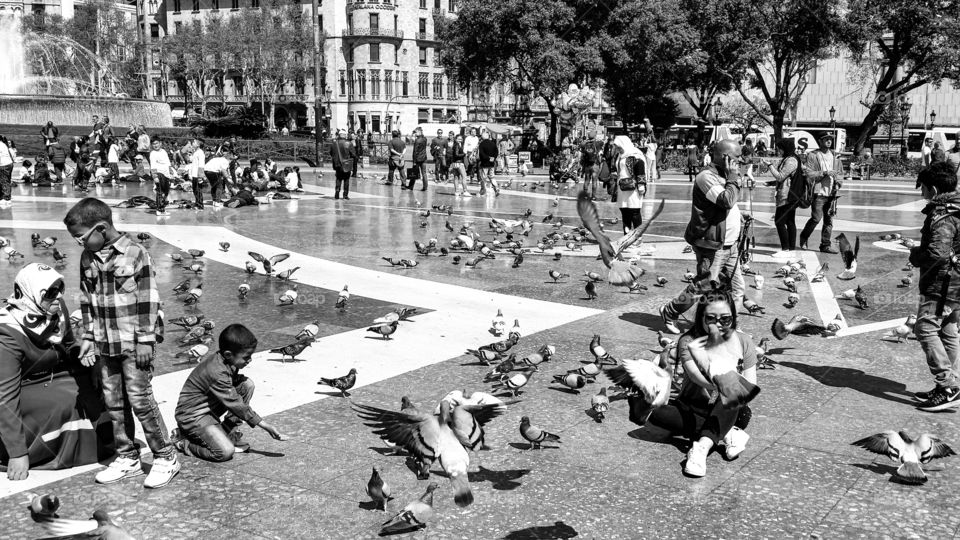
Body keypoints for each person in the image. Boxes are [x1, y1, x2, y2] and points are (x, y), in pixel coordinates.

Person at [63, 198, 179, 488]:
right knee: (113, 401)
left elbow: (148, 299)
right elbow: (86, 299)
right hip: (104, 342)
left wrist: (145, 340)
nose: (79, 244)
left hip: (132, 341)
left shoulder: (136, 253)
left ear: (100, 228)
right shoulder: (88, 258)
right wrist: (88, 336)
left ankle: (165, 456)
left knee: (140, 398)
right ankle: (127, 455)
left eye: (81, 237)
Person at [0, 263, 113, 480]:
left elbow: (67, 346)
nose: (59, 296)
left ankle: (106, 440)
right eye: (50, 293)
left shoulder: (56, 311)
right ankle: (36, 449)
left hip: (47, 377)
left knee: (104, 385)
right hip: (13, 391)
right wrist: (17, 453)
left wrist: (88, 357)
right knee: (66, 401)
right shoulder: (7, 333)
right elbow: (5, 397)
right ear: (29, 294)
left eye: (60, 288)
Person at [641, 285, 756, 477]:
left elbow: (750, 383)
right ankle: (725, 432)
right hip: (694, 406)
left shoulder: (743, 341)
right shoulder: (688, 340)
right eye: (710, 318)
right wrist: (725, 382)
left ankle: (700, 448)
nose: (717, 324)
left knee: (735, 398)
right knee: (655, 413)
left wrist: (732, 389)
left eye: (725, 319)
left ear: (733, 318)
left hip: (730, 406)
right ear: (701, 317)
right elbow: (696, 377)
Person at [660, 140, 745, 335]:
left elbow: (730, 204)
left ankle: (729, 327)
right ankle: (670, 311)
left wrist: (739, 215)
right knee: (703, 286)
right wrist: (733, 177)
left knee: (737, 288)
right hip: (712, 244)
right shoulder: (706, 177)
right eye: (736, 158)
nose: (739, 161)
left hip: (730, 244)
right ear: (724, 157)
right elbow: (726, 200)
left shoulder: (725, 175)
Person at [173, 324, 284, 462]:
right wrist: (265, 425)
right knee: (225, 452)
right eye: (246, 357)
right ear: (228, 354)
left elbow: (233, 393)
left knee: (246, 385)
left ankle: (227, 431)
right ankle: (184, 442)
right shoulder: (217, 371)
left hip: (208, 408)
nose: (249, 360)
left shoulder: (228, 361)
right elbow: (235, 404)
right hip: (192, 417)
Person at [909, 161, 960, 411]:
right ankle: (951, 383)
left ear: (933, 188)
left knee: (925, 328)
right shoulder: (958, 206)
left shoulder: (943, 214)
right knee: (948, 330)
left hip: (942, 281)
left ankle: (947, 385)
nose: (922, 194)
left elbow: (938, 253)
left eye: (923, 189)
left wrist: (916, 255)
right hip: (957, 280)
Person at [798, 133, 842, 254]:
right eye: (826, 139)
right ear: (820, 141)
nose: (829, 141)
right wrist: (824, 173)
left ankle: (825, 245)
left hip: (832, 193)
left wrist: (838, 183)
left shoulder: (835, 156)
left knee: (829, 221)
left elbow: (839, 174)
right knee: (816, 218)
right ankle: (804, 236)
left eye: (830, 139)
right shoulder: (813, 155)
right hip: (819, 192)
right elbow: (808, 174)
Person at [765, 138, 802, 256]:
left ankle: (785, 249)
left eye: (779, 148)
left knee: (779, 221)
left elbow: (781, 177)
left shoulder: (791, 160)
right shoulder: (789, 158)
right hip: (790, 195)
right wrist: (771, 183)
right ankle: (791, 249)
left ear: (785, 148)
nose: (778, 151)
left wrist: (770, 166)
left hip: (788, 196)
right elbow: (786, 178)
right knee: (790, 221)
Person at [611, 135, 646, 232]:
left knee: (634, 212)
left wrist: (641, 185)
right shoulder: (620, 156)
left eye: (619, 147)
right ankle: (626, 236)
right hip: (622, 188)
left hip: (633, 189)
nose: (618, 149)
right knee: (625, 212)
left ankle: (637, 237)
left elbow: (640, 168)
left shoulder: (635, 154)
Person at [149, 140, 175, 216]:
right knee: (160, 192)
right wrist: (155, 176)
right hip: (159, 173)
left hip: (166, 174)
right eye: (153, 144)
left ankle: (162, 208)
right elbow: (153, 165)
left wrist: (171, 171)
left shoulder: (163, 151)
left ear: (160, 143)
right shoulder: (153, 154)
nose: (155, 145)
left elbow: (167, 162)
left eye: (156, 143)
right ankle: (159, 210)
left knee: (166, 192)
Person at [331, 129, 356, 200]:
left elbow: (331, 153)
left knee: (338, 178)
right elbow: (353, 154)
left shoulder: (334, 143)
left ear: (339, 135)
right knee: (346, 179)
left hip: (337, 164)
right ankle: (345, 195)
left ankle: (337, 192)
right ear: (344, 135)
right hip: (346, 164)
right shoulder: (348, 143)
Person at [580, 132, 602, 199]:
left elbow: (581, 145)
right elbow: (602, 142)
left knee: (586, 180)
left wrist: (587, 140)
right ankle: (593, 196)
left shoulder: (584, 144)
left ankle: (585, 196)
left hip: (587, 165)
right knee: (594, 181)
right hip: (595, 164)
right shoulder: (597, 143)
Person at [477, 131, 500, 196]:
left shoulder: (481, 144)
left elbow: (481, 154)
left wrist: (488, 158)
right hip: (492, 164)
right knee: (492, 177)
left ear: (482, 137)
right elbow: (496, 152)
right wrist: (493, 158)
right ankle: (496, 188)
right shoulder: (493, 143)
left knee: (483, 178)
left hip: (484, 164)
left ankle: (483, 191)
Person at [188, 138, 206, 210]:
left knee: (198, 190)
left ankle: (200, 205)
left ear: (198, 145)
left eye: (194, 142)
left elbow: (201, 165)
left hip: (197, 175)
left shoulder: (200, 153)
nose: (192, 143)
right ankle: (197, 202)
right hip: (194, 174)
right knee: (195, 189)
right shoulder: (196, 152)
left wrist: (200, 176)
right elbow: (191, 160)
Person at [0, 135, 14, 208]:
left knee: (4, 181)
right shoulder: (3, 144)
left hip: (3, 165)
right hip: (9, 164)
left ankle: (6, 198)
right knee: (7, 180)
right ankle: (6, 197)